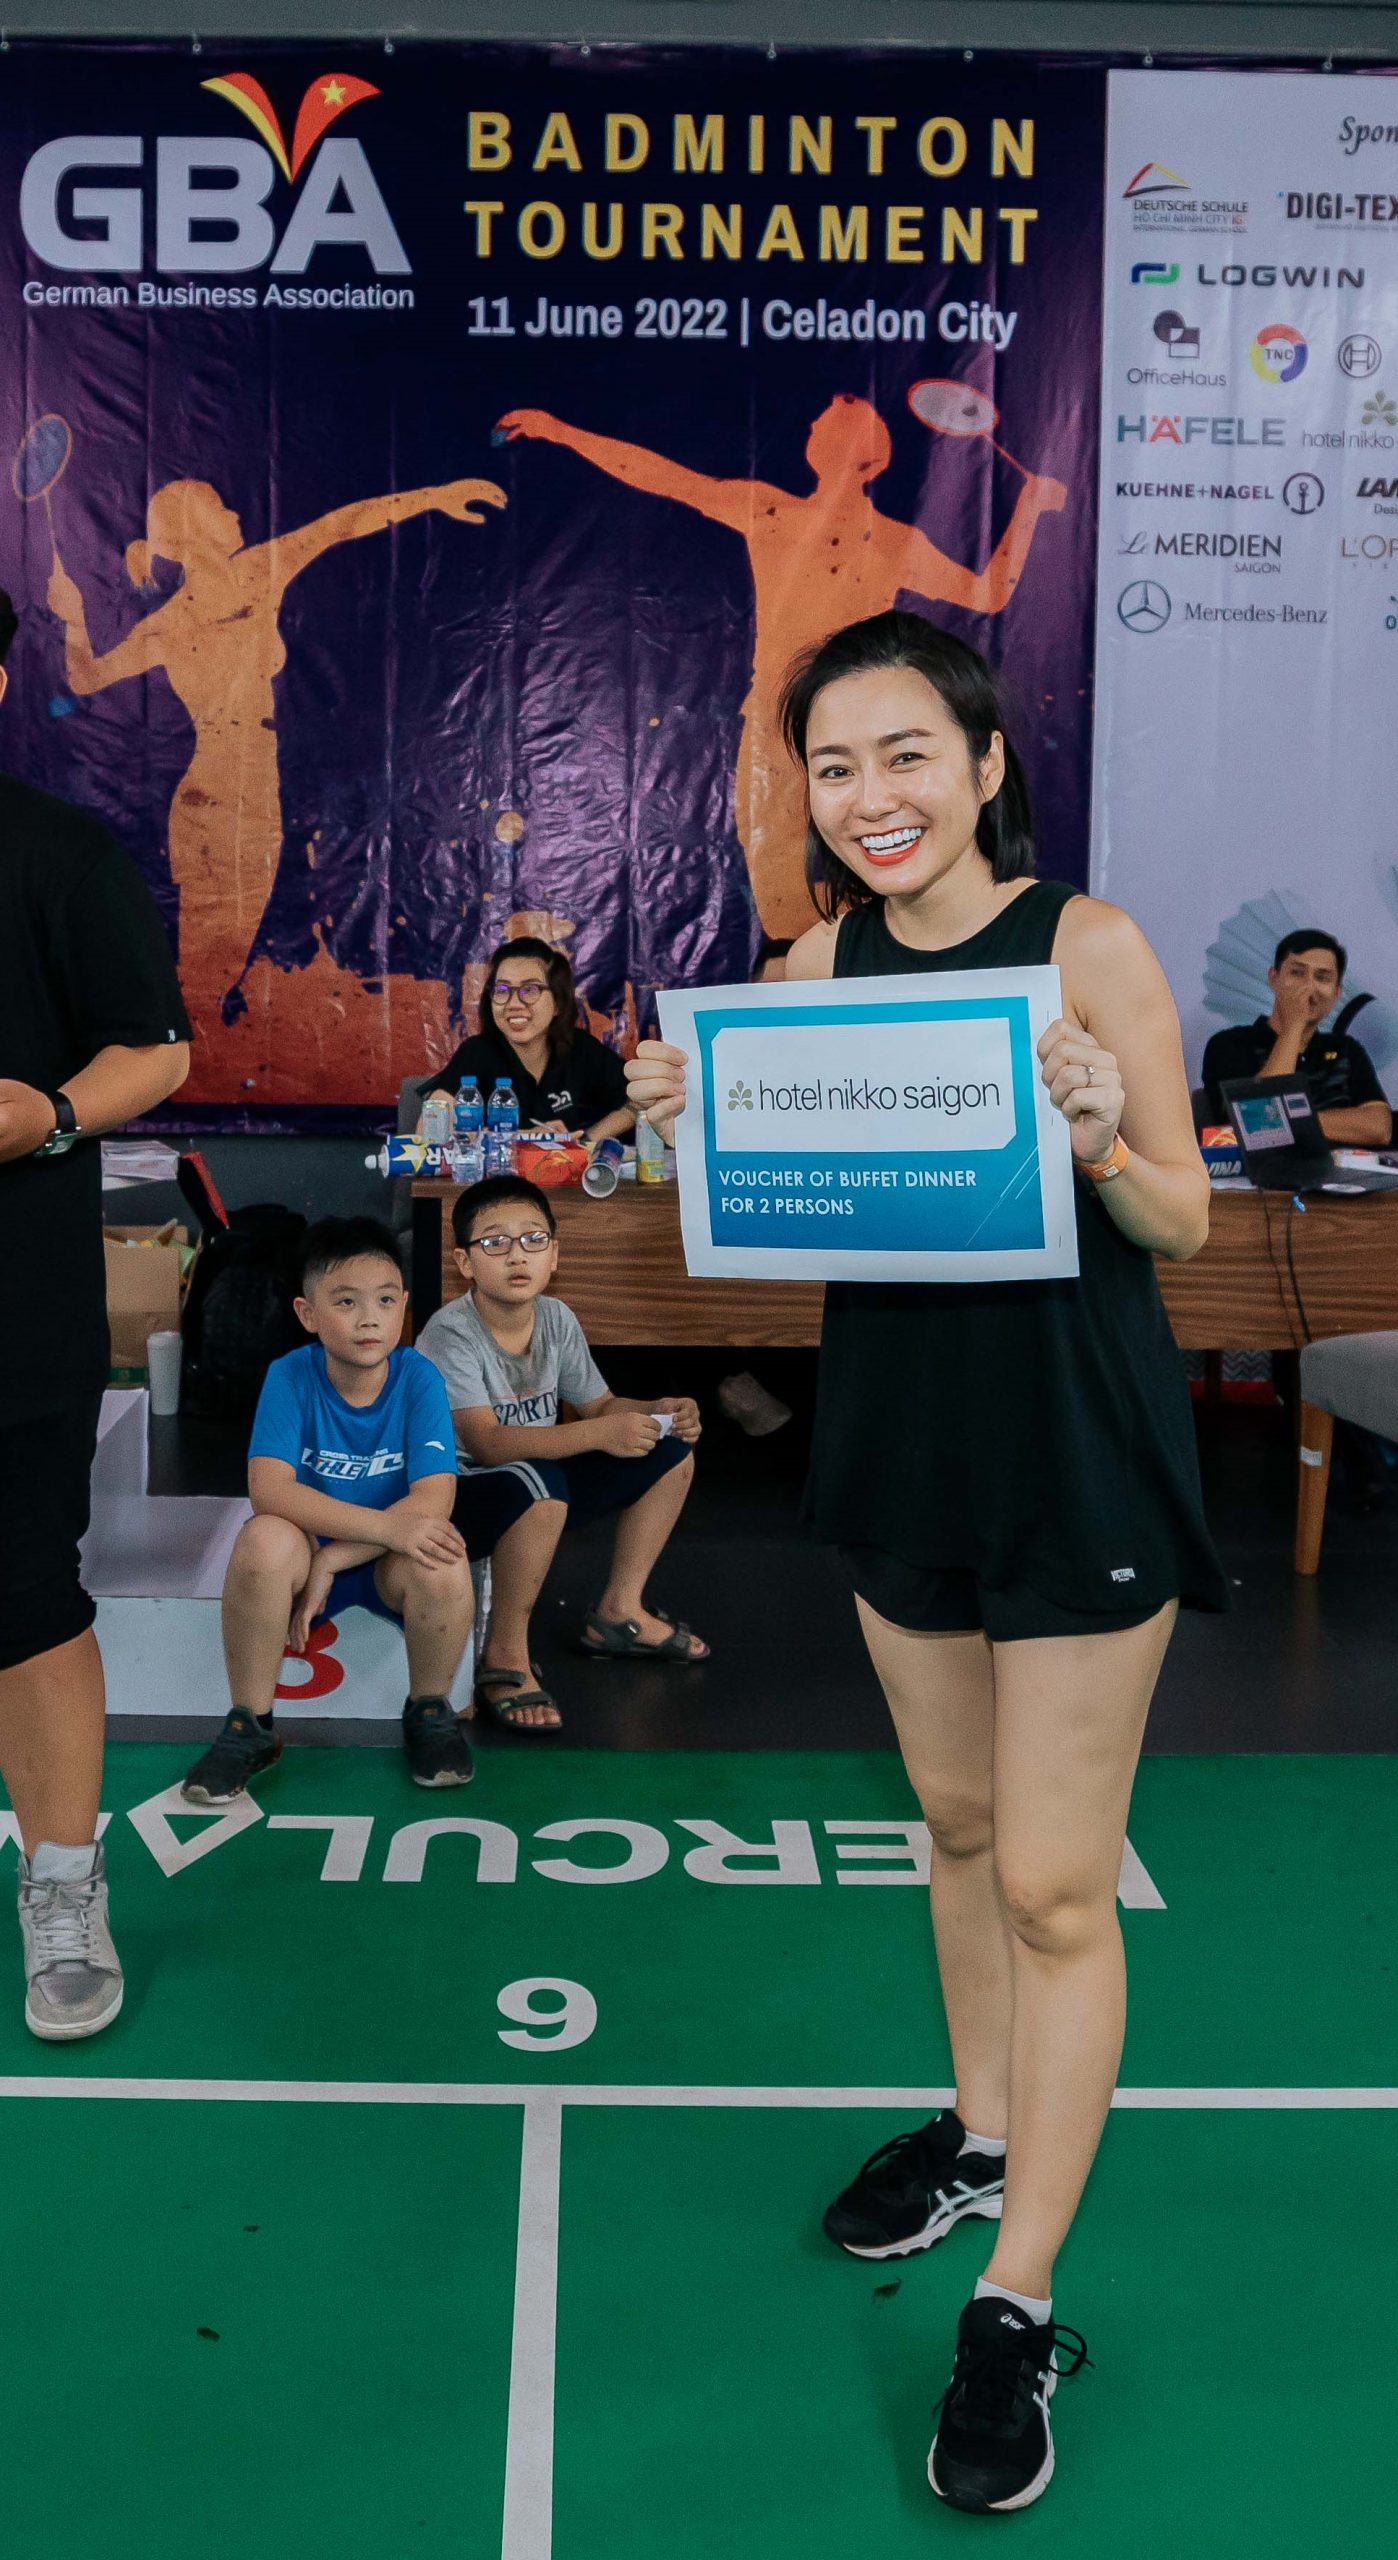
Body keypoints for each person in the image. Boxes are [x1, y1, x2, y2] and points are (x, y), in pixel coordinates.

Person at [627, 609, 1227, 2515]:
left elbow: (1184, 1223)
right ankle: (978, 2130)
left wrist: (1100, 1137)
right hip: (899, 1451)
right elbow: (791, 1194)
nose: (868, 795)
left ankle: (1015, 2299)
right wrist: (678, 1129)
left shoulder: (1086, 947)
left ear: (981, 766)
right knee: (956, 1829)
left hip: (1075, 1461)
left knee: (1054, 1884)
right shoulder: (812, 966)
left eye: (905, 754)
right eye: (832, 764)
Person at [497, 395, 1066, 937]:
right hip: (775, 722)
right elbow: (661, 475)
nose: (817, 430)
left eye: (833, 428)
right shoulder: (772, 511)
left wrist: (1030, 507)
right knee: (773, 874)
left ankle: (880, 965)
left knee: (883, 856)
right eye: (820, 426)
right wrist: (561, 431)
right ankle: (811, 976)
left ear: (868, 456)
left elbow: (986, 592)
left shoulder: (890, 540)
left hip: (861, 732)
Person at [0, 582, 192, 2038]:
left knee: (24, 1601)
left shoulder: (58, 854)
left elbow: (158, 1051)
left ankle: (63, 1881)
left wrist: (52, 1114)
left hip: (14, 1313)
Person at [46, 471, 506, 1034]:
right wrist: (72, 618)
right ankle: (173, 1054)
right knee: (211, 953)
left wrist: (432, 497)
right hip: (217, 792)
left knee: (224, 948)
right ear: (194, 532)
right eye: (220, 510)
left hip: (247, 787)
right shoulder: (185, 613)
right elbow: (87, 678)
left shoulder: (252, 575)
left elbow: (341, 524)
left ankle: (184, 1046)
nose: (236, 516)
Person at [181, 1216, 475, 1805]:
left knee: (441, 1552)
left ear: (404, 1307)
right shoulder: (289, 1375)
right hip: (304, 1555)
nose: (369, 1318)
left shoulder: (419, 1377)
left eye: (385, 1300)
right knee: (263, 1537)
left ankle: (430, 1713)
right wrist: (345, 1544)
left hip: (381, 1560)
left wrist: (335, 1558)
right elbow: (270, 1491)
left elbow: (433, 1501)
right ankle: (250, 1726)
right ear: (307, 1313)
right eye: (346, 1302)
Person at [415, 1174, 705, 1733]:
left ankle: (619, 1610)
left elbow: (600, 1407)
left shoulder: (556, 1317)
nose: (516, 1255)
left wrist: (656, 1409)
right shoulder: (449, 1334)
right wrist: (598, 1435)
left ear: (555, 1254)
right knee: (538, 1484)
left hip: (539, 1477)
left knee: (669, 1451)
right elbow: (487, 1443)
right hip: (461, 1495)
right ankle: (504, 1653)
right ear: (464, 1262)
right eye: (494, 1242)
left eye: (533, 1239)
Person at [421, 938, 633, 1144]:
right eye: (502, 990)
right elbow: (428, 1130)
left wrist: (586, 1141)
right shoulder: (477, 1052)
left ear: (558, 1003)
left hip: (561, 1168)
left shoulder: (579, 1048)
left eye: (530, 990)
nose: (514, 1004)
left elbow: (639, 1102)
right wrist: (528, 1137)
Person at [1201, 928, 1392, 1144]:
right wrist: (1294, 1026)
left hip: (1343, 1165)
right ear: (1274, 978)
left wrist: (1291, 1120)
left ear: (1336, 992)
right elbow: (1256, 1120)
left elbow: (1379, 1128)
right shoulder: (1230, 1044)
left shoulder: (1347, 1049)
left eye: (1322, 977)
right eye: (1297, 973)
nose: (1309, 986)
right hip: (1267, 1165)